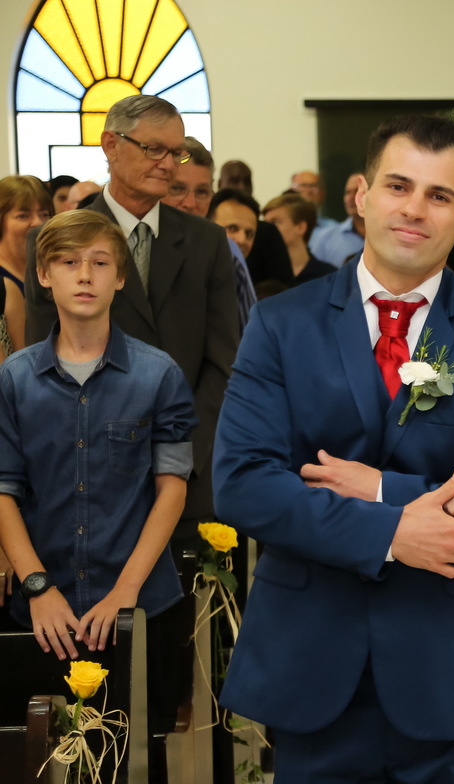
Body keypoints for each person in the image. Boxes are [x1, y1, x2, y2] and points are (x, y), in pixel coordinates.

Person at [213, 114, 454, 782]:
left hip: (452, 675)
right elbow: (243, 482)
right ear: (361, 195)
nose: (414, 209)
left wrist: (385, 494)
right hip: (313, 667)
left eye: (439, 196)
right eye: (399, 186)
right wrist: (393, 534)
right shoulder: (281, 323)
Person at [24, 94, 239, 546]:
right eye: (154, 148)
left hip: (186, 474)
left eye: (176, 152)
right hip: (87, 476)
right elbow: (44, 364)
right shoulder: (54, 239)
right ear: (110, 145)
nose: (168, 164)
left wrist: (181, 453)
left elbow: (224, 362)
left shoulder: (206, 241)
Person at [0, 210, 195, 659]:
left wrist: (125, 591)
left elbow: (172, 488)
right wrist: (38, 587)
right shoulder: (14, 379)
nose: (85, 275)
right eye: (69, 262)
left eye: (100, 262)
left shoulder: (159, 374)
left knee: (147, 706)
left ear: (120, 277)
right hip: (43, 609)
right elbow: (3, 491)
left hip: (140, 605)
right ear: (44, 275)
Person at [162, 137, 256, 332]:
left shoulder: (226, 251)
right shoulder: (135, 241)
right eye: (177, 189)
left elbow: (249, 333)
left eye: (202, 192)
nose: (190, 203)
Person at [0, 176, 51, 356]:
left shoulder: (52, 271)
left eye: (44, 214)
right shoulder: (2, 284)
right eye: (23, 215)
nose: (37, 223)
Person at [262, 192, 337, 283]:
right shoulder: (261, 274)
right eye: (265, 223)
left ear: (300, 228)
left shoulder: (329, 276)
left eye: (275, 222)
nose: (267, 228)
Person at [310, 172, 368, 267]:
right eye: (347, 192)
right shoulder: (326, 239)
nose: (351, 198)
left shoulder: (389, 235)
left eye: (357, 191)